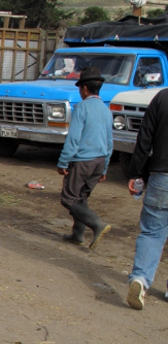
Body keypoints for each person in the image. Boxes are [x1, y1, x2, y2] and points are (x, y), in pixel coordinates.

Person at [57, 66, 113, 251]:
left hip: (83, 161)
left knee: (68, 199)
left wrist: (63, 161)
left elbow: (74, 138)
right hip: (99, 161)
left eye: (80, 88)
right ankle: (77, 234)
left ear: (85, 89)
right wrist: (104, 167)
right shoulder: (106, 110)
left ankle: (97, 224)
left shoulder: (81, 108)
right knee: (81, 197)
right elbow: (110, 141)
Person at [125, 88, 168, 310]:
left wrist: (135, 173)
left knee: (152, 231)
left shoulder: (162, 98)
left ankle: (140, 279)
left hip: (162, 177)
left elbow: (144, 139)